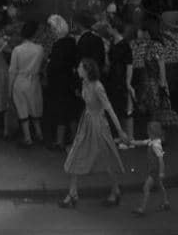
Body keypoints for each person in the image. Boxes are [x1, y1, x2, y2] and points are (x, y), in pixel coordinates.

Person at [59, 58, 130, 209]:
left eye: (80, 67)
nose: (78, 69)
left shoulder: (98, 87)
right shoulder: (84, 83)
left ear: (87, 70)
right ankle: (73, 193)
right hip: (87, 123)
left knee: (105, 158)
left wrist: (120, 130)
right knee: (76, 155)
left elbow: (109, 108)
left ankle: (115, 190)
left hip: (98, 125)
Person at [9, 19, 46, 148]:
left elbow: (12, 71)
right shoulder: (40, 49)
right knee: (35, 108)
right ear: (35, 33)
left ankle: (27, 138)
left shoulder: (17, 50)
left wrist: (9, 89)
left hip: (20, 81)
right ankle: (39, 134)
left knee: (22, 109)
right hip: (34, 80)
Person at [45, 14, 78, 151]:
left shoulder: (58, 45)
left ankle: (60, 141)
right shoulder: (71, 42)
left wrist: (49, 63)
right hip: (70, 80)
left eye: (51, 29)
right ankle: (74, 138)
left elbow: (55, 66)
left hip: (59, 82)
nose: (50, 32)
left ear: (55, 29)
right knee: (71, 111)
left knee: (60, 112)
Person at [130, 120, 171, 216]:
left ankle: (142, 209)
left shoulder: (156, 145)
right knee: (160, 186)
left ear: (151, 132)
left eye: (148, 131)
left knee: (146, 188)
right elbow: (141, 142)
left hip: (154, 171)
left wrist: (161, 172)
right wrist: (131, 142)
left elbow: (161, 159)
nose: (147, 132)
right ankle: (166, 202)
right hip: (154, 169)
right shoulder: (152, 141)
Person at [106, 16, 136, 145]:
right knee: (118, 107)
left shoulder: (124, 45)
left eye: (109, 27)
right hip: (114, 79)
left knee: (126, 109)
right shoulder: (112, 42)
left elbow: (129, 65)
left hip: (122, 79)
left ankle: (130, 137)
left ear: (115, 28)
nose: (107, 29)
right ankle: (123, 136)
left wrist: (128, 82)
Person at [135, 19, 173, 122]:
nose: (140, 33)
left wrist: (162, 85)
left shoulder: (156, 46)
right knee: (153, 110)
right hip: (150, 84)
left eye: (142, 31)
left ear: (148, 32)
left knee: (158, 111)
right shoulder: (149, 45)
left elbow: (161, 66)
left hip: (156, 83)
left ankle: (159, 130)